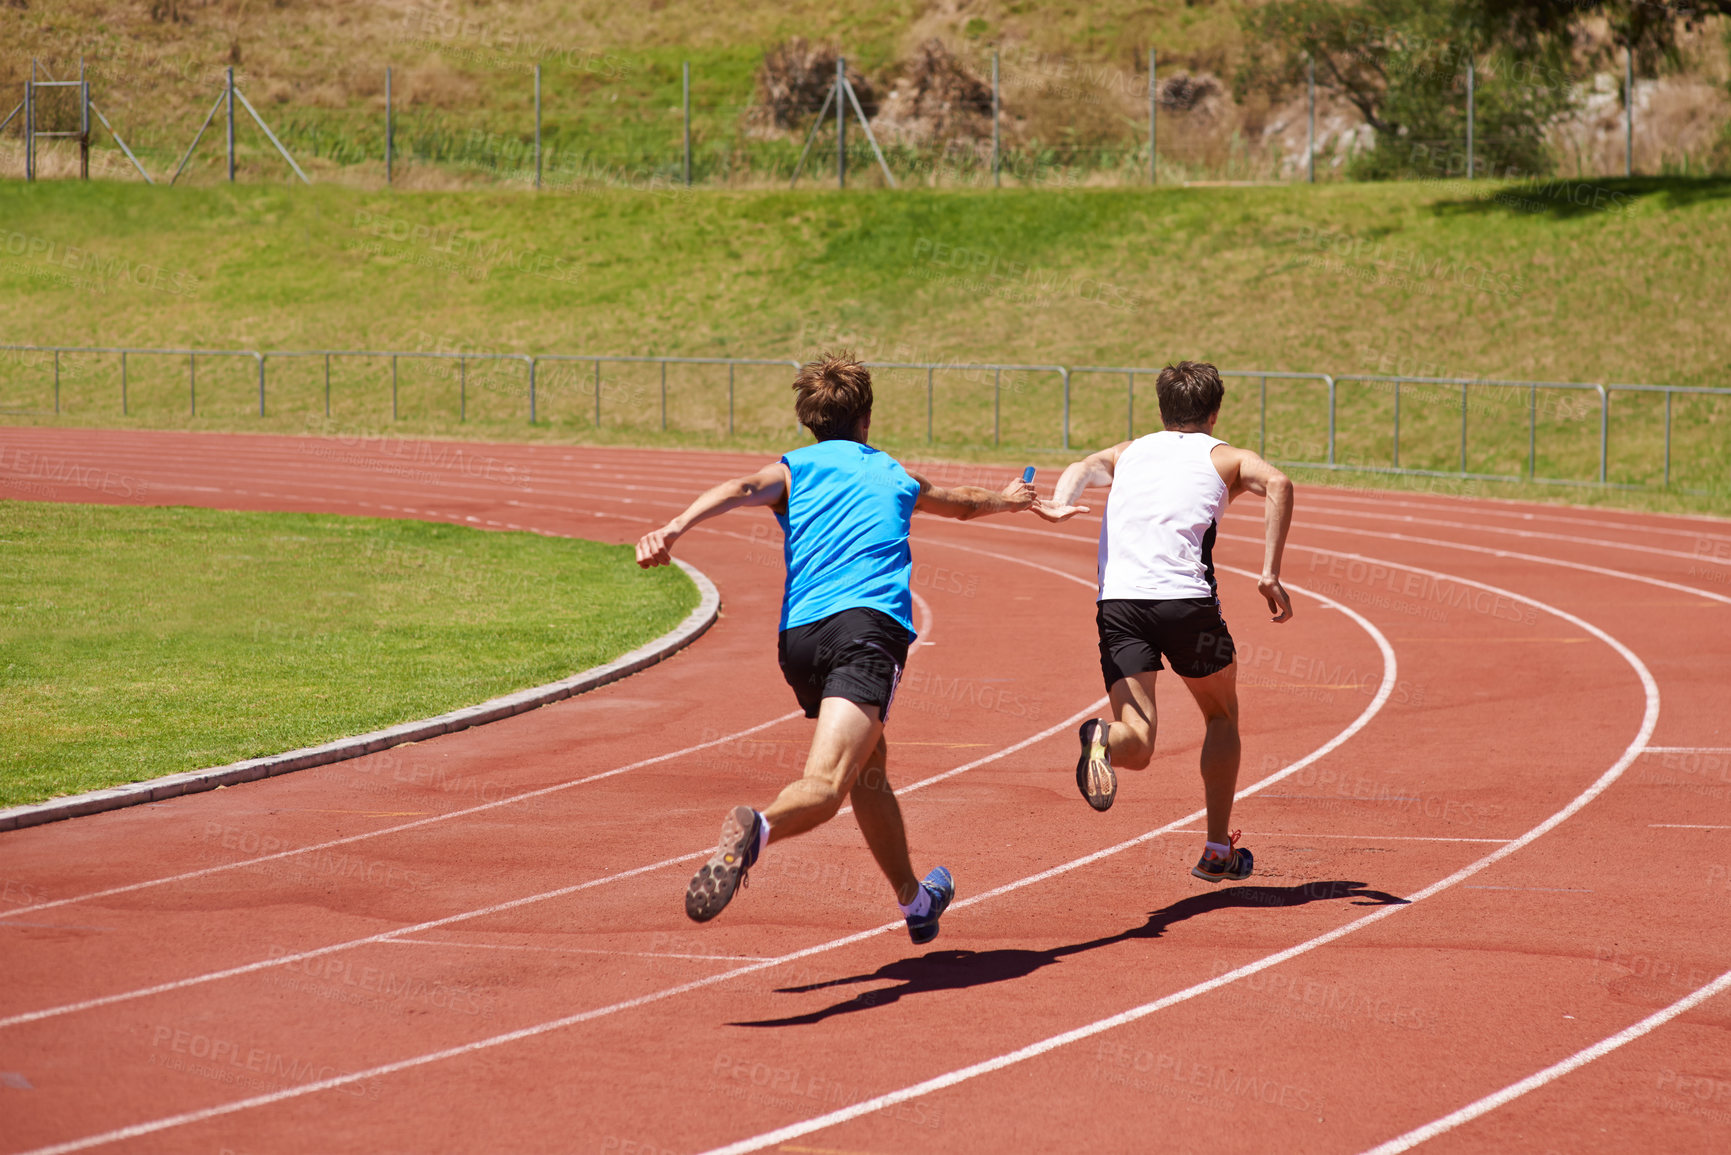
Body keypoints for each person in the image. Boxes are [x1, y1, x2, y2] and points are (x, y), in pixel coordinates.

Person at [635, 352, 1045, 943]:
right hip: (866, 633)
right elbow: (957, 502)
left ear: (809, 422)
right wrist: (1012, 499)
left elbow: (740, 486)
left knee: (868, 769)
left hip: (799, 641)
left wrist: (674, 528)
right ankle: (758, 830)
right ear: (867, 418)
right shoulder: (893, 473)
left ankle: (915, 899)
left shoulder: (795, 468)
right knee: (826, 787)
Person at [1039, 360, 1294, 883]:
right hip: (1185, 602)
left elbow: (1084, 466)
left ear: (1161, 409)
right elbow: (1280, 483)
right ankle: (1218, 849)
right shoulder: (1227, 457)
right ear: (1215, 412)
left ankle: (1102, 737)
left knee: (1139, 740)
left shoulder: (1130, 452)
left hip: (1119, 606)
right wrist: (1269, 574)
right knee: (1222, 717)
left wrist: (1061, 502)